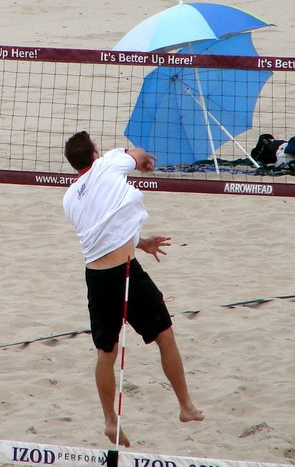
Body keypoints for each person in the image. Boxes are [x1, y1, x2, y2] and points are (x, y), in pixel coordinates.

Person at [62, 131, 203, 448]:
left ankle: (111, 421)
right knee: (165, 335)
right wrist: (142, 161)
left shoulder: (69, 198)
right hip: (126, 274)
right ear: (95, 153)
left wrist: (141, 242)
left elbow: (105, 230)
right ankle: (186, 406)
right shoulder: (108, 164)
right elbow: (137, 153)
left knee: (105, 354)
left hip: (96, 278)